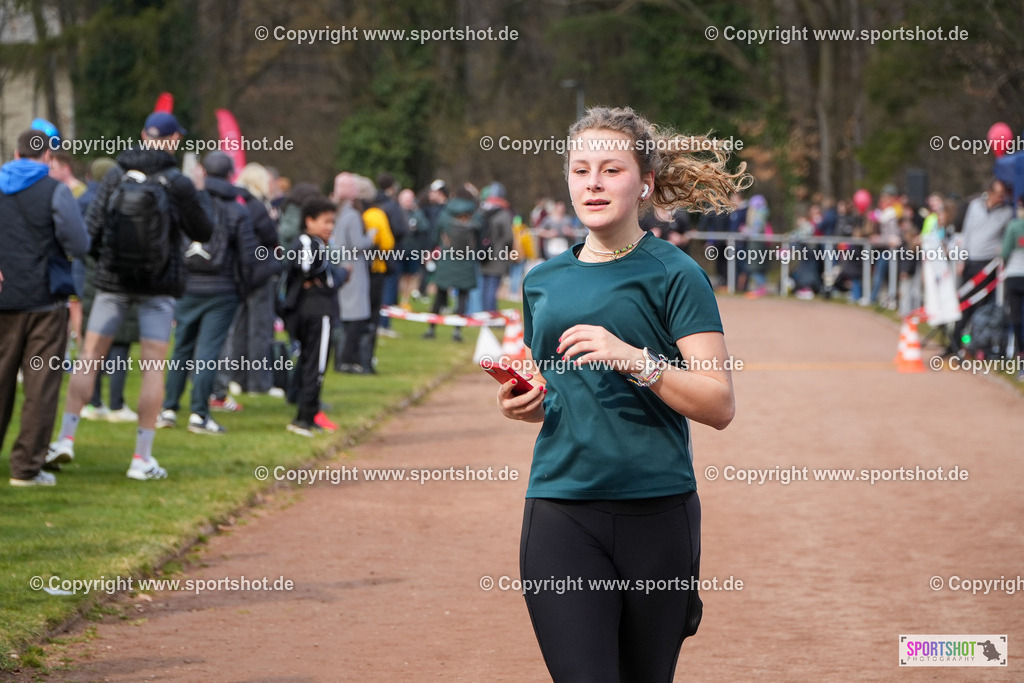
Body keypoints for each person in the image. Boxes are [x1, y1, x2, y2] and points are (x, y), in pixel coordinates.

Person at [497, 106, 746, 681]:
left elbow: (719, 404)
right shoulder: (542, 281)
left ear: (645, 183)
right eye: (581, 170)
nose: (594, 183)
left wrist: (636, 359)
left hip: (658, 513)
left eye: (611, 170)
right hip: (561, 509)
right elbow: (556, 389)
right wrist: (523, 403)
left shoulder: (675, 273)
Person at [48, 112, 214, 480]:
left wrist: (109, 263)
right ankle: (141, 458)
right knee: (153, 366)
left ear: (142, 135)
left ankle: (64, 439)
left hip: (113, 283)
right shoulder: (177, 182)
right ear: (174, 140)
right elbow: (204, 231)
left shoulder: (115, 175)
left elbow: (89, 232)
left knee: (90, 356)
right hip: (158, 286)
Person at [0, 129, 90, 486]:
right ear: (49, 156)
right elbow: (79, 244)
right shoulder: (56, 191)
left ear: (17, 152)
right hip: (45, 299)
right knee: (41, 386)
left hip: (4, 297)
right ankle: (26, 468)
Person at [157, 151, 258, 435]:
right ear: (231, 175)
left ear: (202, 172)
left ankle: (168, 409)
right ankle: (199, 414)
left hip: (187, 287)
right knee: (208, 352)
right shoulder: (238, 210)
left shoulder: (188, 205)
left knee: (181, 349)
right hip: (222, 291)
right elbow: (248, 258)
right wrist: (242, 288)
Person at [213, 162, 284, 400]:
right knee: (260, 330)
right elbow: (271, 238)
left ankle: (238, 378)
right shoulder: (256, 206)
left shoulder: (233, 202)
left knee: (240, 329)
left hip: (237, 273)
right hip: (259, 273)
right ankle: (259, 382)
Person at [278, 197, 348, 436]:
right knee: (316, 364)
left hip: (308, 309)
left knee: (310, 362)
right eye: (325, 221)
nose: (330, 227)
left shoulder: (313, 243)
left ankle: (307, 415)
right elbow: (312, 271)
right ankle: (304, 418)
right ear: (309, 221)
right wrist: (335, 277)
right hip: (316, 312)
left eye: (332, 222)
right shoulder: (309, 242)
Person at [949, 179, 1013, 354]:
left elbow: (1007, 237)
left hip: (988, 264)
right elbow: (967, 232)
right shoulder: (975, 206)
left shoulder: (1007, 212)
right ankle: (954, 344)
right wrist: (961, 259)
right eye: (999, 194)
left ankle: (974, 346)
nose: (1001, 198)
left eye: (1004, 195)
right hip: (970, 261)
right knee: (963, 305)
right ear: (990, 193)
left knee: (980, 307)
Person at [331, 172, 374, 374]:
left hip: (340, 264)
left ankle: (339, 359)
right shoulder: (353, 216)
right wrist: (371, 237)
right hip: (353, 269)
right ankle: (347, 360)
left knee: (344, 317)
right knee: (356, 316)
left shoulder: (338, 214)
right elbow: (358, 244)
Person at [423, 188, 478, 342]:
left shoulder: (445, 213)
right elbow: (480, 239)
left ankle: (431, 329)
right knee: (462, 297)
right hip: (466, 260)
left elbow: (435, 236)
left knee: (440, 295)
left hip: (447, 258)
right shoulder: (474, 215)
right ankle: (457, 332)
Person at [477, 181, 515, 312]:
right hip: (498, 255)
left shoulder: (482, 211)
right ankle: (490, 314)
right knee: (492, 286)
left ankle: (483, 313)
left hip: (482, 254)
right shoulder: (503, 214)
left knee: (483, 286)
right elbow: (508, 237)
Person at [1002, 206, 1024, 377]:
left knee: (1017, 319)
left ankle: (1021, 360)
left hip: (1015, 275)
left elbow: (1005, 252)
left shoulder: (1014, 226)